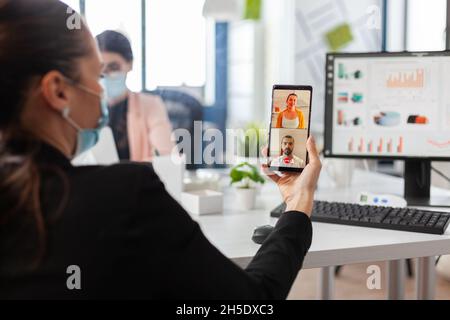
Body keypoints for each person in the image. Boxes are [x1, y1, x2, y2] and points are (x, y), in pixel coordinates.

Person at [0, 0, 321, 299]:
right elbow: (250, 302)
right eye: (97, 74)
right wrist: (298, 202)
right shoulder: (128, 195)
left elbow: (168, 155)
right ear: (57, 91)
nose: (102, 86)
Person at [96, 30, 174, 161]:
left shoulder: (151, 106)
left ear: (130, 64)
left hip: (140, 180)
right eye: (100, 70)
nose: (107, 75)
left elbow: (165, 157)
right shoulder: (84, 108)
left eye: (113, 67)